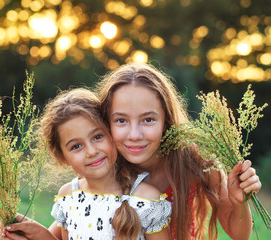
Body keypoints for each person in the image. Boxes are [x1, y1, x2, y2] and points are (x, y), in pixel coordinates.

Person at [96, 63, 262, 240]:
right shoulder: (100, 171)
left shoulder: (196, 162)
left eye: (148, 119)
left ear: (166, 120)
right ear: (106, 123)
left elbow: (238, 234)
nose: (135, 135)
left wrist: (239, 203)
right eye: (121, 120)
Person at [0, 88, 172, 240]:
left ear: (111, 134)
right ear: (62, 157)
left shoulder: (146, 200)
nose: (91, 151)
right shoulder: (68, 196)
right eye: (76, 146)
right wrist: (40, 235)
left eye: (98, 137)